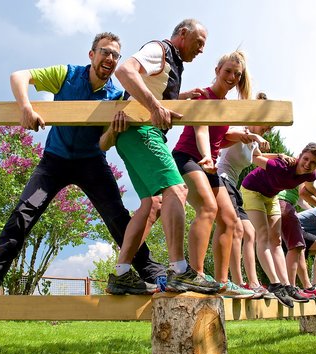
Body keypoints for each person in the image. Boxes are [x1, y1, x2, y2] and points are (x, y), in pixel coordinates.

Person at [0, 32, 167, 296]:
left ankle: (155, 274)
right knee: (23, 214)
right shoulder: (66, 74)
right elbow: (19, 76)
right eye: (104, 52)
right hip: (54, 161)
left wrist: (113, 132)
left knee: (118, 218)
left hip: (92, 162)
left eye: (115, 55)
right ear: (92, 54)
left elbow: (103, 143)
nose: (109, 58)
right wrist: (25, 108)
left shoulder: (116, 95)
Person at [102, 19, 220, 294]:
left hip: (132, 136)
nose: (201, 50)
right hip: (142, 131)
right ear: (182, 34)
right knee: (176, 189)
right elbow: (125, 70)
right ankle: (179, 270)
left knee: (151, 204)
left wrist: (180, 96)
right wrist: (154, 106)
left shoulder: (170, 63)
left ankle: (121, 274)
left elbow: (150, 85)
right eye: (199, 42)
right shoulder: (160, 49)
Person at [170, 51, 256, 298]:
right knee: (208, 208)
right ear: (217, 70)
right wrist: (207, 155)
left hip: (208, 164)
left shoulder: (226, 106)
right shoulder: (203, 97)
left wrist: (240, 136)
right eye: (228, 71)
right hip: (188, 159)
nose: (231, 77)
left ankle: (222, 283)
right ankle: (194, 274)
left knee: (230, 219)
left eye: (237, 75)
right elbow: (201, 131)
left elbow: (220, 138)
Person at [240, 142, 316, 307]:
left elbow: (309, 190)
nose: (308, 164)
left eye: (313, 163)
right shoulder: (282, 165)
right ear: (300, 155)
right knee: (263, 235)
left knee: (277, 240)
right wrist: (278, 154)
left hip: (271, 196)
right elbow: (254, 157)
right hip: (252, 191)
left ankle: (287, 286)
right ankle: (275, 284)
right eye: (306, 159)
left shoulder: (310, 175)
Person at [216, 92, 277, 300]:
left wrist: (282, 158)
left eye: (270, 127)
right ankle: (239, 281)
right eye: (266, 124)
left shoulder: (254, 143)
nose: (268, 129)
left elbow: (259, 159)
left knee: (250, 232)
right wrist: (253, 136)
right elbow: (227, 135)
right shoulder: (240, 127)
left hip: (233, 184)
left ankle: (251, 283)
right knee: (238, 230)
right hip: (220, 178)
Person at [278, 149, 316, 300]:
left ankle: (305, 286)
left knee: (299, 248)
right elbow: (305, 192)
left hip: (282, 205)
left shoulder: (303, 173)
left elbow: (301, 198)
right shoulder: (306, 172)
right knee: (297, 247)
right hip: (282, 204)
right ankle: (290, 287)